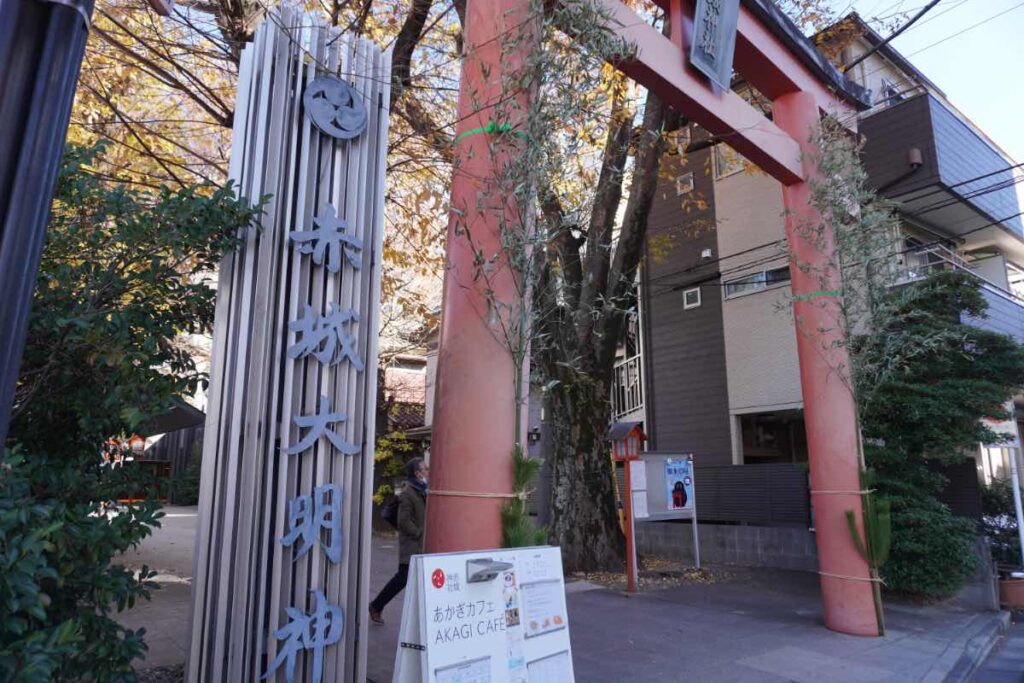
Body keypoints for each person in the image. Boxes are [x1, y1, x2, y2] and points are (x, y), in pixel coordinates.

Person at [369, 457, 427, 623]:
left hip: (420, 544)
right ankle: (376, 605)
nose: (427, 471)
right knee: (402, 578)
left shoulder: (422, 490)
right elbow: (403, 520)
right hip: (412, 544)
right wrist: (417, 533)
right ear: (417, 473)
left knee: (412, 579)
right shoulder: (408, 494)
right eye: (425, 469)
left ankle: (378, 606)